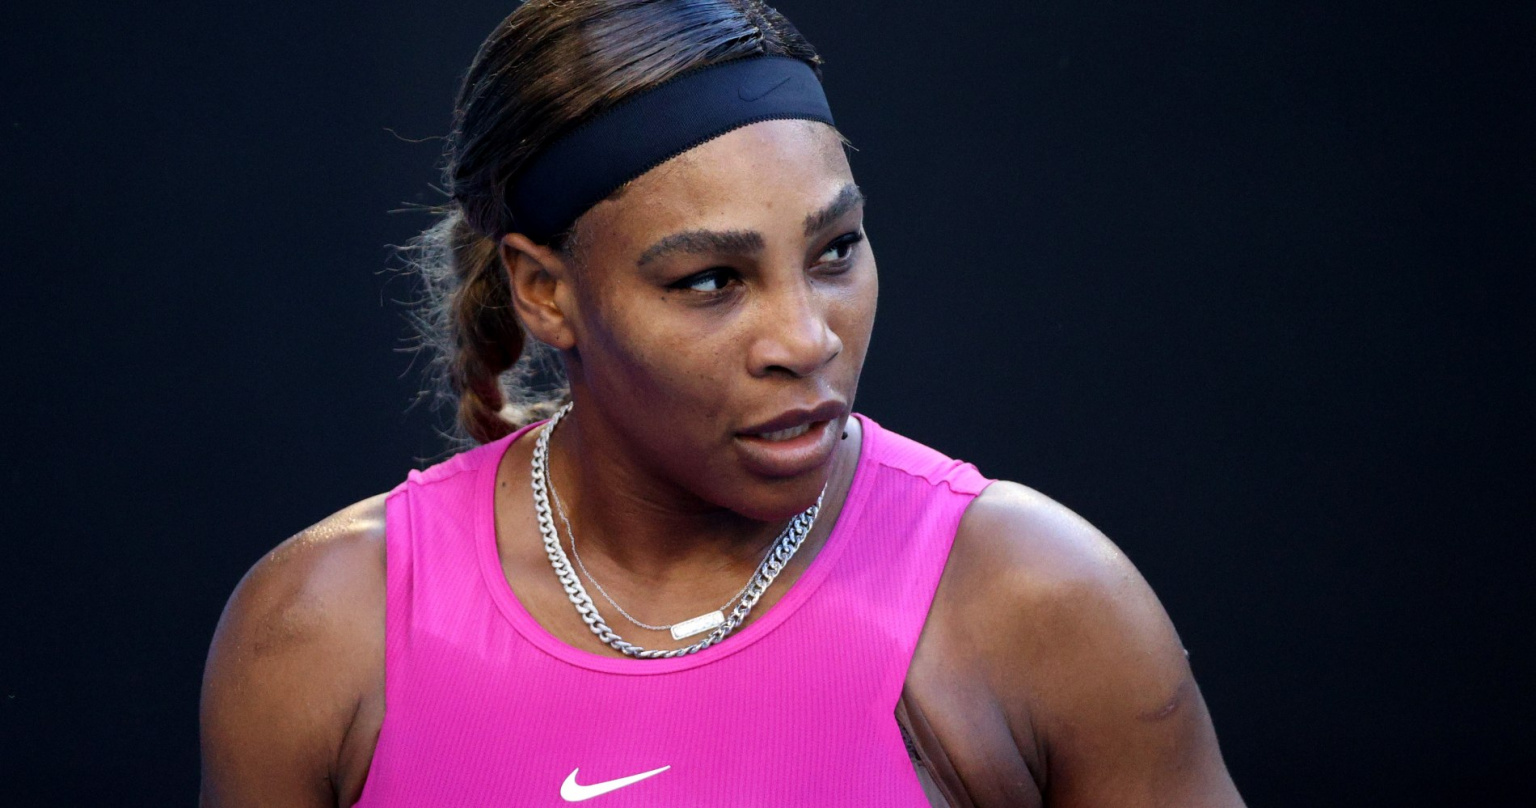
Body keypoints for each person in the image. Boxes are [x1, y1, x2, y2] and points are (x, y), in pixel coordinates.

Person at [199, 1, 1246, 805]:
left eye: (835, 251)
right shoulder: (322, 633)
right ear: (545, 292)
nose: (806, 338)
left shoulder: (1039, 604)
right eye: (711, 280)